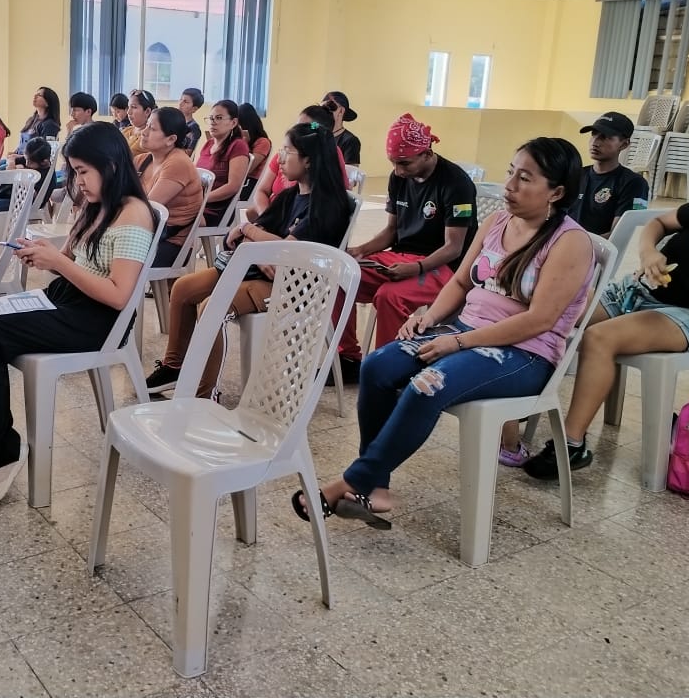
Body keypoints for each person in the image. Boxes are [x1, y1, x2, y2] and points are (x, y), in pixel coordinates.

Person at [293, 137, 593, 527]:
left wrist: (458, 341)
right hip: (467, 330)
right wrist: (430, 317)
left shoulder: (570, 242)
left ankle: (353, 482)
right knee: (377, 366)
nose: (509, 186)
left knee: (427, 384)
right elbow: (462, 282)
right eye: (511, 173)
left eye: (525, 178)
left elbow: (540, 320)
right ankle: (376, 488)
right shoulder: (498, 223)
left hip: (525, 353)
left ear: (556, 192)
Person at [0, 123, 155, 505]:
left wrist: (59, 264)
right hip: (68, 299)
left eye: (83, 171)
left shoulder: (133, 214)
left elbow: (119, 296)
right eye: (75, 172)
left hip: (96, 320)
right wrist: (42, 252)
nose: (78, 181)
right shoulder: (99, 204)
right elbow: (70, 258)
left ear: (112, 165)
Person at [145, 120, 352, 397]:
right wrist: (257, 243)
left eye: (287, 151)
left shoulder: (328, 206)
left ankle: (205, 395)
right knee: (183, 289)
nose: (279, 158)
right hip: (260, 270)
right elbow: (242, 238)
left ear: (309, 160)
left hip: (292, 286)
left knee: (212, 306)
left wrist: (249, 231)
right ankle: (174, 367)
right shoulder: (289, 196)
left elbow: (287, 250)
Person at [523, 197, 689, 479]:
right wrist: (649, 253)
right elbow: (658, 223)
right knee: (549, 306)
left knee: (600, 338)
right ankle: (520, 396)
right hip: (637, 290)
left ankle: (571, 444)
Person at [334, 114, 477, 383]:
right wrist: (360, 251)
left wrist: (416, 268)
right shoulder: (398, 178)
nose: (398, 170)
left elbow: (454, 248)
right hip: (402, 255)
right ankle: (348, 358)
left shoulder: (456, 183)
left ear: (427, 153)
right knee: (342, 277)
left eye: (404, 163)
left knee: (389, 296)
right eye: (393, 163)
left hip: (444, 265)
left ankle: (388, 368)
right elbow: (391, 231)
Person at [247, 105, 352, 221]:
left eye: (303, 128)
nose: (296, 132)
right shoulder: (286, 157)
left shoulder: (327, 156)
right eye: (296, 126)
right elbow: (262, 191)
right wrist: (266, 218)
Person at [0, 138, 59, 262]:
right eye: (26, 159)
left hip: (27, 202)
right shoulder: (33, 159)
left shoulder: (45, 173)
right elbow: (11, 157)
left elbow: (31, 194)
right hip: (14, 195)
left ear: (44, 162)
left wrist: (17, 170)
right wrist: (15, 165)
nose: (26, 162)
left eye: (29, 162)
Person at [136, 106, 204, 267]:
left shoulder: (178, 163)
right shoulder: (141, 160)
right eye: (146, 126)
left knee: (106, 255)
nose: (144, 132)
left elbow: (146, 209)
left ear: (171, 139)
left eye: (152, 128)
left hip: (170, 243)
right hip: (147, 235)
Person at [568, 111, 649, 238]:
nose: (595, 142)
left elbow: (619, 234)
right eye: (594, 134)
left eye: (605, 137)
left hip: (597, 249)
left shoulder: (634, 183)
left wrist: (577, 244)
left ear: (624, 144)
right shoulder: (576, 175)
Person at [195, 99, 250, 226]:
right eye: (211, 118)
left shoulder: (238, 146)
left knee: (173, 217)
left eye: (219, 118)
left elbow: (233, 186)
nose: (213, 122)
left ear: (233, 122)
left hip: (214, 210)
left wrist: (201, 199)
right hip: (199, 204)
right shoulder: (208, 144)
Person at [237, 102, 272, 202]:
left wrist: (243, 144)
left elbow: (248, 168)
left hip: (250, 182)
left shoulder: (263, 142)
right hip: (238, 180)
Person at [13, 87, 61, 156]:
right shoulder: (30, 120)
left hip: (31, 160)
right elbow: (22, 144)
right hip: (19, 157)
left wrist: (17, 158)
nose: (35, 96)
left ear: (47, 103)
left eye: (39, 95)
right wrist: (14, 153)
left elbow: (44, 153)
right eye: (36, 94)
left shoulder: (50, 125)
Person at [323, 90, 361, 165]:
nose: (325, 112)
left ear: (341, 111)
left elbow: (351, 170)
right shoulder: (317, 132)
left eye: (330, 106)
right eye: (322, 108)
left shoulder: (350, 140)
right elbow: (307, 126)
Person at [123, 89, 156, 154]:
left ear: (147, 111)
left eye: (133, 107)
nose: (128, 112)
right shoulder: (126, 131)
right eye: (129, 107)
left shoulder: (148, 137)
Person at [179, 88, 204, 154]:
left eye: (185, 102)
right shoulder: (174, 121)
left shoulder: (194, 128)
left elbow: (189, 153)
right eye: (181, 99)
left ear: (194, 109)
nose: (180, 103)